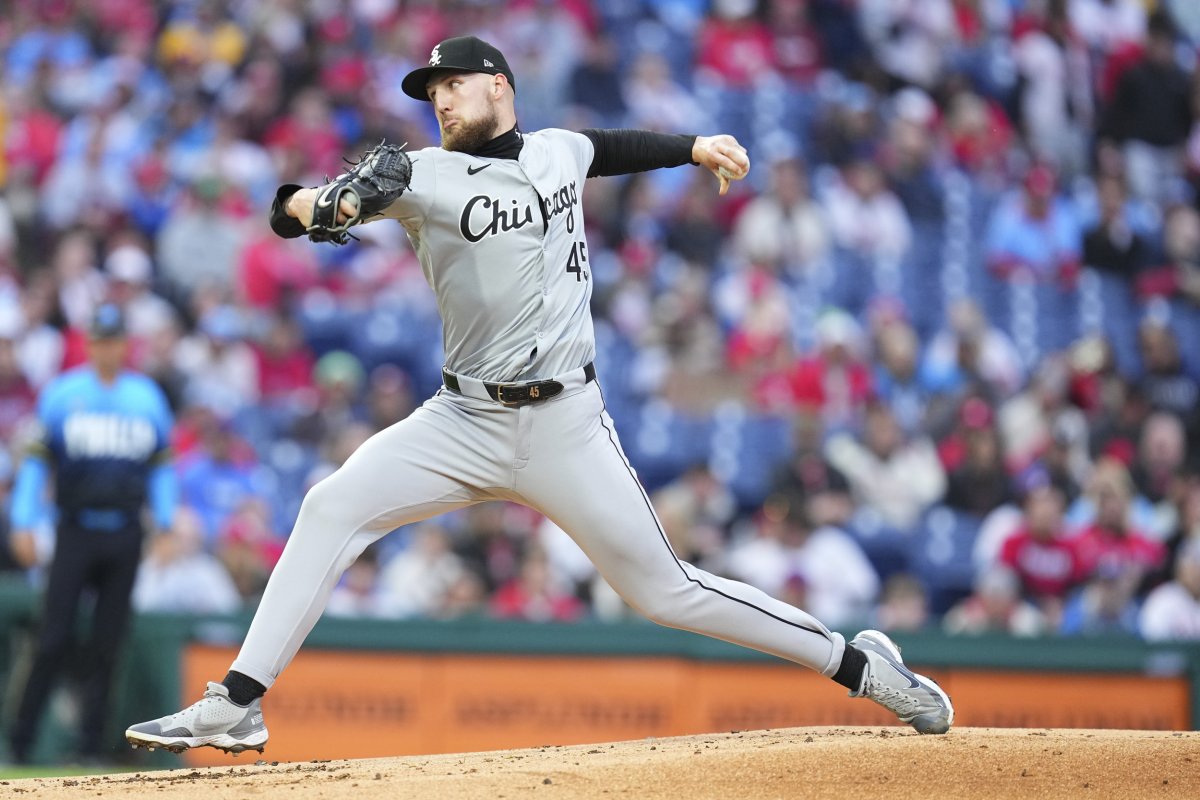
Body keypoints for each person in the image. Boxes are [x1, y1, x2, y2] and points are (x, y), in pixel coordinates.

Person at [126, 35, 952, 755]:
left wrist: (697, 145)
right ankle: (235, 705)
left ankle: (861, 666)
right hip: (462, 418)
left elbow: (614, 147)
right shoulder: (422, 176)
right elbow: (289, 212)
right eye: (431, 91)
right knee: (329, 506)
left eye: (453, 84)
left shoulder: (559, 150)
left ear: (499, 86)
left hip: (565, 424)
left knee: (664, 589)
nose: (440, 100)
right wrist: (327, 202)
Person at [7, 303, 176, 764]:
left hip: (123, 534)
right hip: (74, 530)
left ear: (125, 343)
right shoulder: (64, 393)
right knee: (53, 637)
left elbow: (161, 467)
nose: (107, 348)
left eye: (115, 339)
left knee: (108, 642)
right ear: (90, 344)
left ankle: (89, 747)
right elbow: (37, 463)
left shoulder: (146, 398)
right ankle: (20, 744)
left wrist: (165, 521)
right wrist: (23, 521)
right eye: (99, 340)